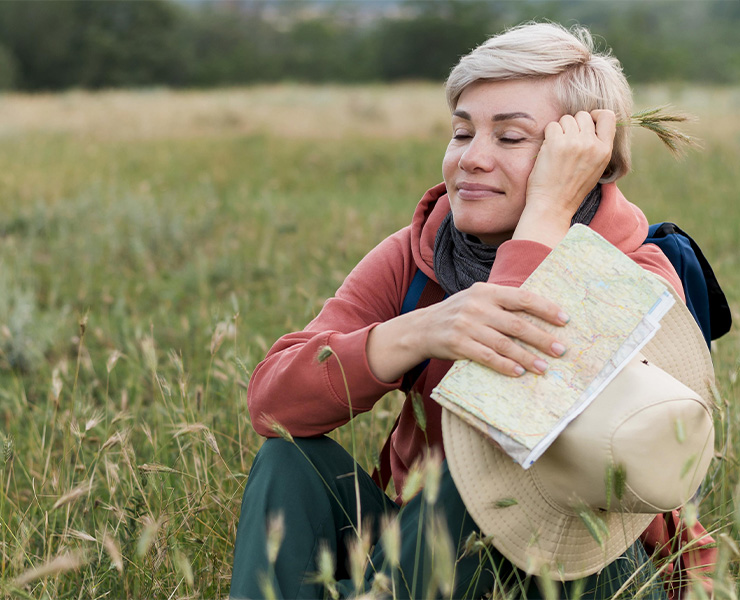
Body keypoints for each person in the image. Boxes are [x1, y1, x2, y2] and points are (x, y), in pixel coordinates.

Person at [230, 22, 717, 600]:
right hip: (421, 542)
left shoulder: (636, 275)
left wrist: (546, 213)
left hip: (580, 565)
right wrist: (414, 333)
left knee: (482, 477)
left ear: (584, 157)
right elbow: (271, 403)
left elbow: (502, 422)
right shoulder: (419, 254)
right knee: (291, 458)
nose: (472, 159)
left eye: (510, 139)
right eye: (462, 133)